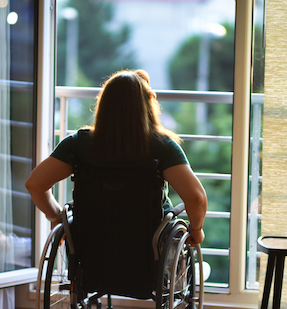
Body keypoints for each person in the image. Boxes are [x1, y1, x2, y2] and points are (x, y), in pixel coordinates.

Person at [25, 69, 207, 246]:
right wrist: (197, 230)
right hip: (149, 245)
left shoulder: (77, 144)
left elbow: (35, 184)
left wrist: (56, 216)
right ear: (148, 104)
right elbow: (196, 198)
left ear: (103, 103)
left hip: (91, 242)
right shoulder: (163, 146)